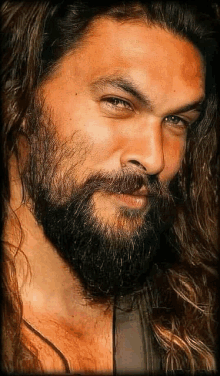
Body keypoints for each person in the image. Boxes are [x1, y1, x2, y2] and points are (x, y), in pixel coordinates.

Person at [1, 0, 219, 374]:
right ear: (21, 99)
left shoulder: (197, 317)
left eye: (177, 120)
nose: (154, 158)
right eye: (119, 102)